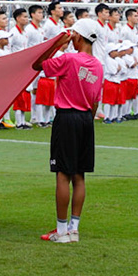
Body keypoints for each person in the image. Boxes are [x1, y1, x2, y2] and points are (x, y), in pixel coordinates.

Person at [34, 18, 105, 243]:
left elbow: (38, 65)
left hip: (67, 117)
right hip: (86, 118)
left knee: (63, 174)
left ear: (78, 36)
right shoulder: (98, 65)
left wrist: (58, 45)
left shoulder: (69, 60)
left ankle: (61, 230)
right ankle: (73, 229)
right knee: (79, 175)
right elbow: (94, 101)